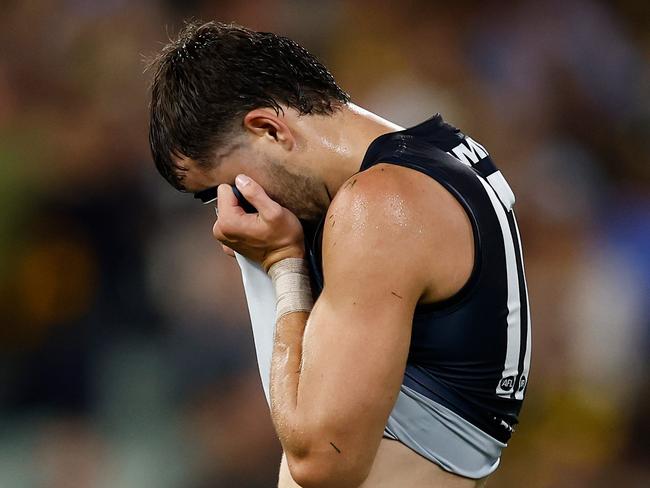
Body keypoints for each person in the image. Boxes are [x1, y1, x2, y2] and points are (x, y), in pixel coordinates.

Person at [148, 21, 531, 488]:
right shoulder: (444, 156)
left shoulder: (380, 205)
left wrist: (282, 264)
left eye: (218, 189)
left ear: (268, 128)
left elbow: (322, 464)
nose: (229, 214)